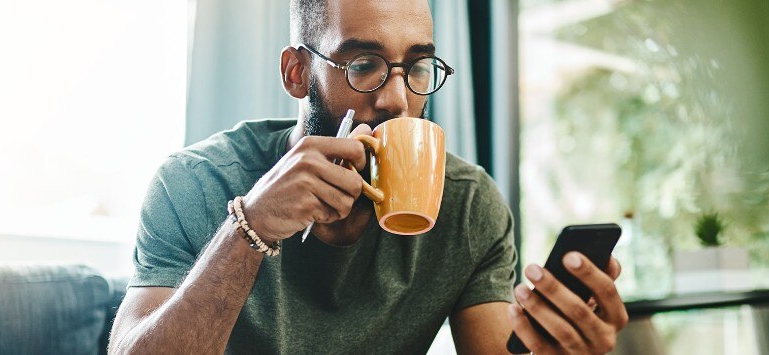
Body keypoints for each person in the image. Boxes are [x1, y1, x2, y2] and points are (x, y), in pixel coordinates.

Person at [107, 0, 628, 353]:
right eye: (363, 64)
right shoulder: (195, 184)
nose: (397, 100)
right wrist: (251, 228)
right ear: (296, 73)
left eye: (418, 68)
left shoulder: (469, 206)